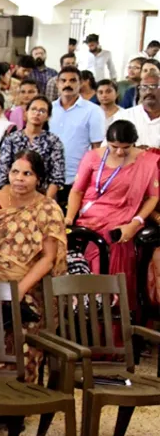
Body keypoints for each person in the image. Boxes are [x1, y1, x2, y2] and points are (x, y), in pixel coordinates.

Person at [0, 151, 68, 381]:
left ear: (38, 178)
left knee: (22, 345)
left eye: (27, 173)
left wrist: (18, 290)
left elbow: (48, 257)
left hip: (30, 289)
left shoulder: (48, 208)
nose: (19, 178)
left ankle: (16, 405)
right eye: (15, 172)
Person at [66, 121, 158, 305]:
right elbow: (77, 191)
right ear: (106, 142)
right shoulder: (92, 157)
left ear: (134, 143)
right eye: (114, 147)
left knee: (117, 250)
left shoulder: (146, 161)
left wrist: (135, 223)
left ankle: (118, 320)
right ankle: (89, 320)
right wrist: (69, 218)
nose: (119, 152)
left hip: (125, 225)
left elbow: (153, 198)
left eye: (126, 148)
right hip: (90, 223)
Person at [0, 96, 66, 198]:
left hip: (43, 195)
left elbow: (57, 177)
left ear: (48, 117)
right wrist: (13, 199)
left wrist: (44, 201)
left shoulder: (53, 141)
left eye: (42, 111)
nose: (37, 113)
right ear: (26, 113)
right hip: (12, 195)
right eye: (33, 109)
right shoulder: (11, 139)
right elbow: (2, 175)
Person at [50, 66, 106, 195]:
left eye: (72, 80)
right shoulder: (49, 108)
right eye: (63, 81)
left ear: (80, 83)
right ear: (57, 83)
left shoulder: (93, 111)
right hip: (48, 176)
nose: (67, 84)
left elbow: (97, 148)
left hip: (77, 178)